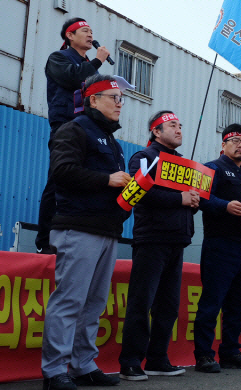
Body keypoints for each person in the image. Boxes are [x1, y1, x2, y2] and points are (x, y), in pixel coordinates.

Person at [41, 74, 131, 390]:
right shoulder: (74, 130)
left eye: (122, 99)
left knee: (93, 304)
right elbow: (62, 172)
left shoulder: (113, 142)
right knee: (69, 301)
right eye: (114, 97)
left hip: (106, 230)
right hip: (78, 228)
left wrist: (130, 192)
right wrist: (108, 180)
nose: (120, 103)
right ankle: (54, 371)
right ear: (93, 99)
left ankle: (83, 364)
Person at [119, 111, 200, 380]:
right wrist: (180, 200)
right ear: (156, 131)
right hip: (152, 239)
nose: (179, 130)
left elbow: (187, 201)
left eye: (180, 125)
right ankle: (131, 362)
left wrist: (193, 201)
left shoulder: (184, 164)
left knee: (168, 305)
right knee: (141, 302)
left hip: (177, 240)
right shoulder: (143, 158)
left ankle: (157, 358)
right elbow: (140, 192)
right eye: (172, 126)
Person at [193, 124, 241, 373]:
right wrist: (224, 206)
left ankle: (230, 351)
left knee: (240, 302)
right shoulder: (212, 168)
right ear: (223, 145)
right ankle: (204, 355)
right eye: (235, 141)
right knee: (212, 302)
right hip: (219, 244)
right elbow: (201, 198)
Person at [36, 17, 111, 254]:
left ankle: (81, 233)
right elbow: (72, 78)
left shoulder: (88, 64)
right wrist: (98, 61)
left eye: (91, 31)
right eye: (85, 31)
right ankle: (44, 242)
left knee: (88, 177)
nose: (90, 35)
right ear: (70, 35)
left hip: (88, 128)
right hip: (66, 126)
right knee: (58, 179)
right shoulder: (58, 58)